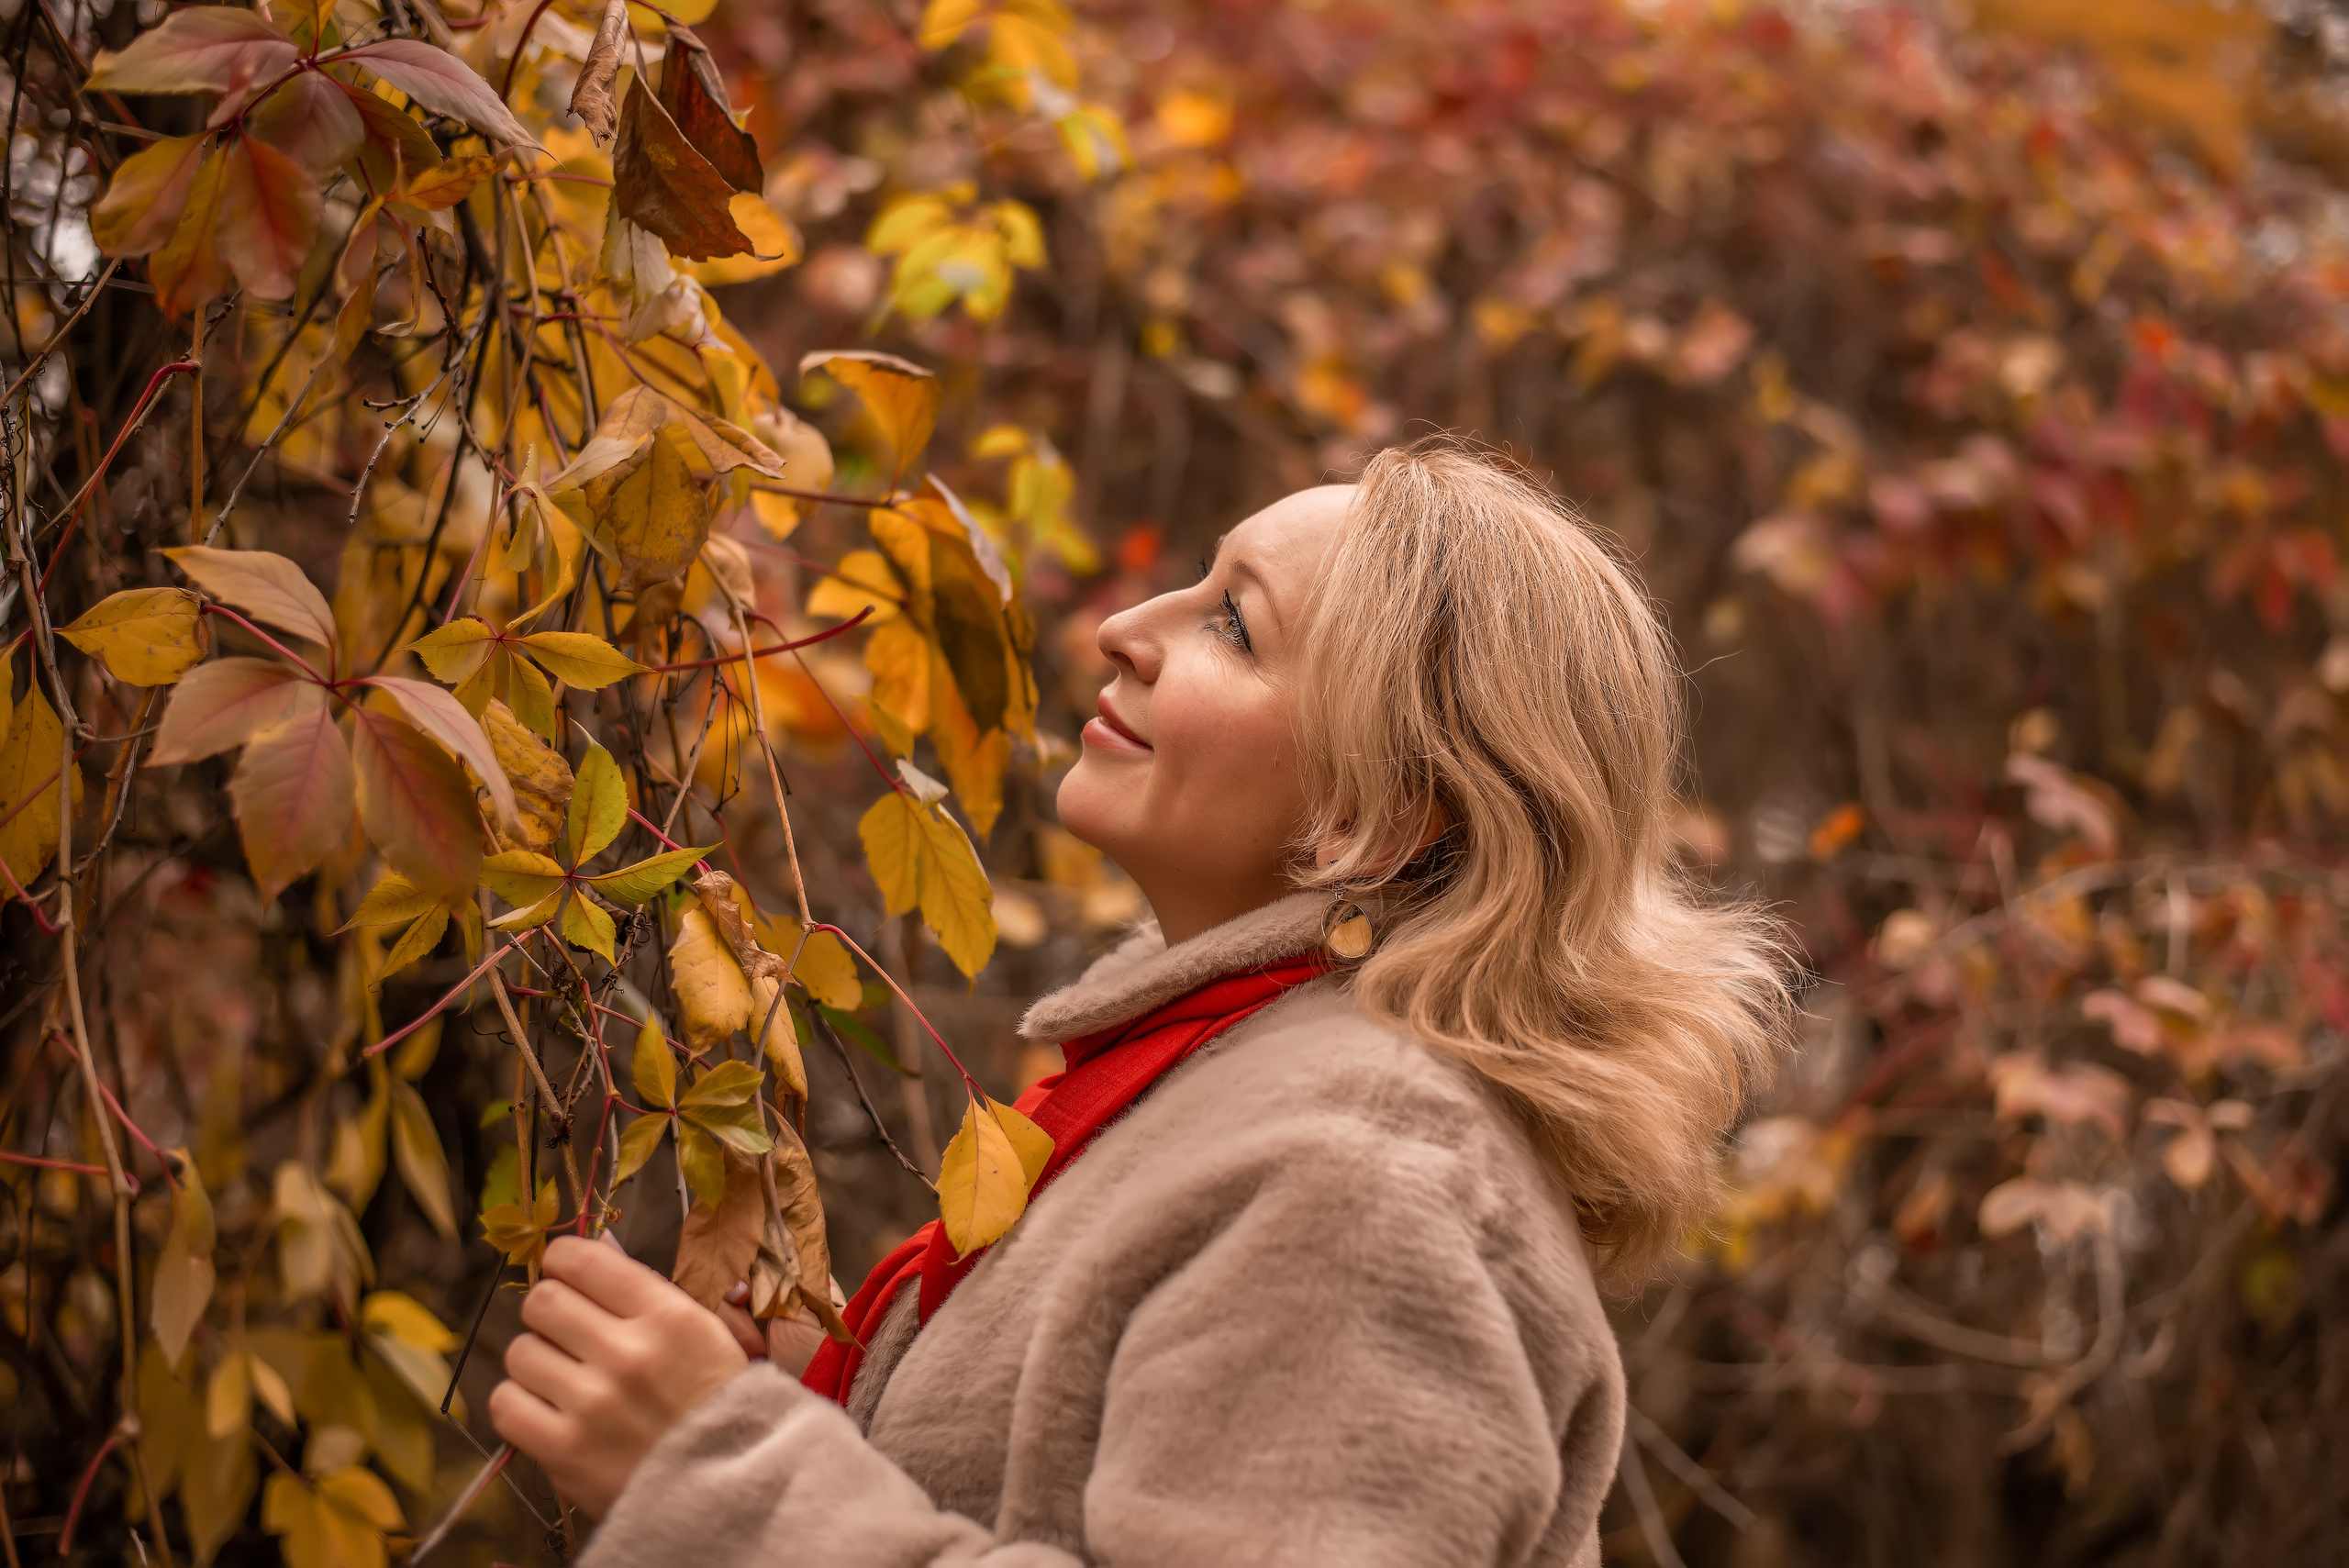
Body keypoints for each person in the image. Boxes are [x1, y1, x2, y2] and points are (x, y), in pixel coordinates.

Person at [486, 439, 1794, 1566]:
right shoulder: (1231, 1088)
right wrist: (825, 1396)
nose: (1126, 626)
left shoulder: (1363, 1175)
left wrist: (730, 1477)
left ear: (1381, 812)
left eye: (1233, 622)